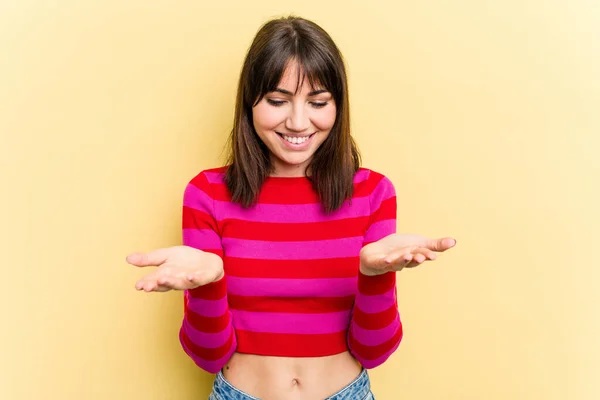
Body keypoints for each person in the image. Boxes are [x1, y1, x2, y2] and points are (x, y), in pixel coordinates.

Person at [126, 16, 456, 400]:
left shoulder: (372, 192)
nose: (298, 122)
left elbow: (374, 350)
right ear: (250, 101)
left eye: (318, 103)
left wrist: (374, 274)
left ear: (338, 105)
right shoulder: (207, 193)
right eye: (278, 101)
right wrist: (210, 282)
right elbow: (208, 353)